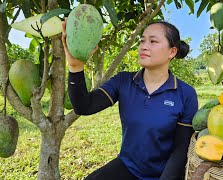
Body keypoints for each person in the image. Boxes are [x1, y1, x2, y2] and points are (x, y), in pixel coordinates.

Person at [62, 19, 198, 180]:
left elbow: (181, 149)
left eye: (153, 41)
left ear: (172, 52)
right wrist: (75, 67)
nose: (144, 46)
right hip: (128, 167)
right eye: (142, 41)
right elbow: (84, 106)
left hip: (165, 173)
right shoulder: (123, 81)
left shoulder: (185, 94)